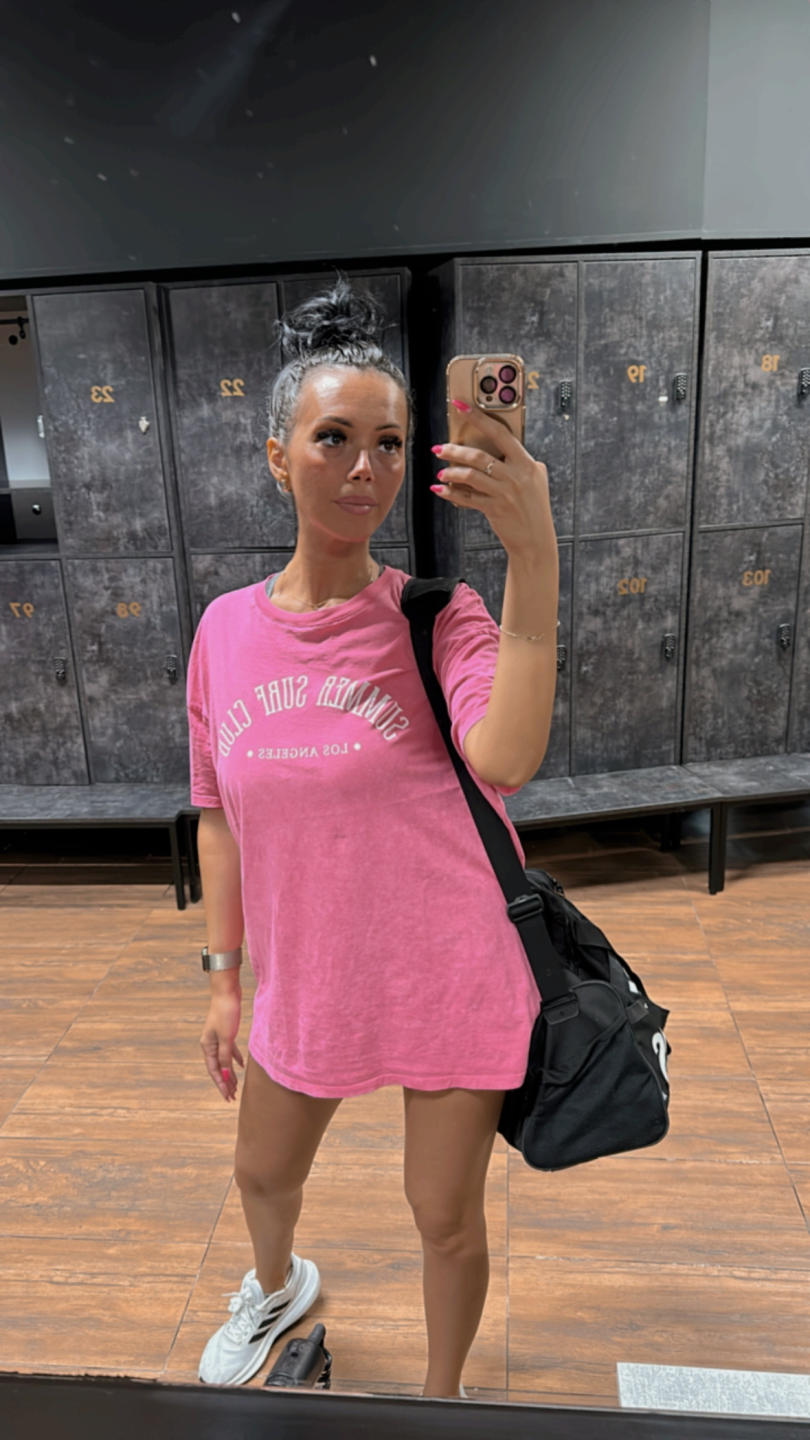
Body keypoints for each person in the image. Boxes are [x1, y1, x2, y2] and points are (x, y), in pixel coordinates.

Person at [186, 276, 559, 1398]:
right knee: (261, 1173)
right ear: (277, 456)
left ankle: (443, 1401)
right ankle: (276, 1287)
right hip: (309, 976)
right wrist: (224, 978)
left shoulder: (439, 616)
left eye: (390, 444)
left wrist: (533, 556)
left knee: (443, 1218)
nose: (366, 468)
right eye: (335, 439)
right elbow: (218, 811)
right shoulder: (223, 632)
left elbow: (506, 758)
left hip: (449, 969)